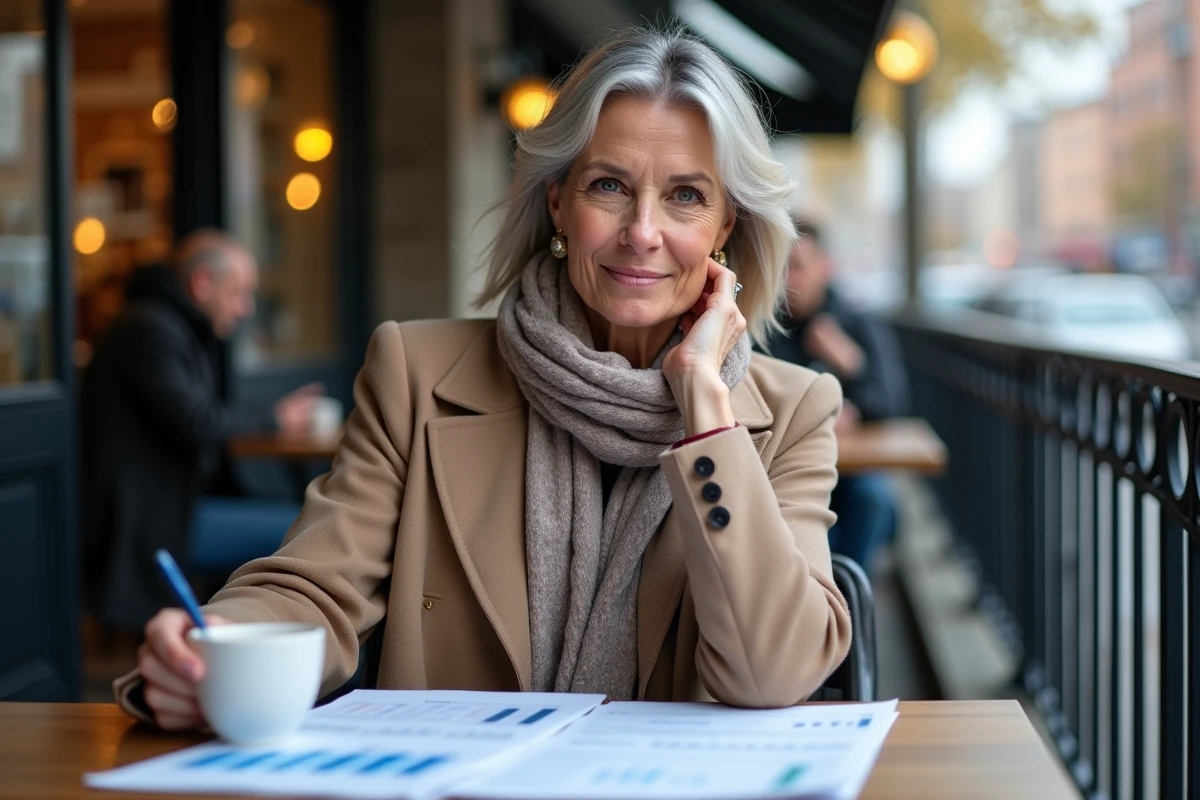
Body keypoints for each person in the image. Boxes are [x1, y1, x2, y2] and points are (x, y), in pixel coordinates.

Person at [120, 28, 852, 730]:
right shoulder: (416, 374)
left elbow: (774, 673)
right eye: (609, 185)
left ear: (726, 225)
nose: (642, 231)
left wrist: (704, 405)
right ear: (558, 201)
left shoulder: (796, 411)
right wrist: (215, 646)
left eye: (686, 196)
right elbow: (315, 587)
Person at [82, 230, 323, 634]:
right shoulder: (148, 329)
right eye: (239, 293)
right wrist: (277, 417)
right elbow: (196, 420)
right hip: (151, 523)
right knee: (304, 531)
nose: (246, 308)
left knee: (302, 517)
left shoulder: (163, 324)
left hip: (173, 508)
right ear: (202, 282)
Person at [762, 219, 909, 570]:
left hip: (850, 472)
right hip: (786, 470)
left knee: (872, 499)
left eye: (797, 266)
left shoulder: (857, 322)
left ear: (825, 267)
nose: (787, 280)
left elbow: (893, 401)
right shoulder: (765, 327)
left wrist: (849, 362)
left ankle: (847, 598)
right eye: (780, 269)